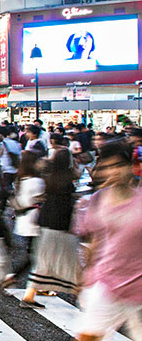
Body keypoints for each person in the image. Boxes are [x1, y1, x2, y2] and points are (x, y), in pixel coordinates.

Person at [75, 140, 142, 340]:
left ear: (131, 166)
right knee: (87, 337)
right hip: (107, 283)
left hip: (139, 288)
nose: (114, 172)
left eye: (119, 165)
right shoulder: (95, 200)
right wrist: (84, 277)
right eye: (108, 167)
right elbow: (93, 241)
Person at [23, 149, 79, 308]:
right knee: (69, 262)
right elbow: (67, 205)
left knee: (43, 261)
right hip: (61, 226)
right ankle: (81, 295)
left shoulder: (49, 177)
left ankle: (30, 294)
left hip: (46, 222)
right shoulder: (67, 181)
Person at [2, 151, 45, 288]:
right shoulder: (37, 181)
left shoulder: (21, 179)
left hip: (23, 220)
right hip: (34, 220)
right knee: (34, 255)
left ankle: (15, 277)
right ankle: (15, 277)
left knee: (32, 253)